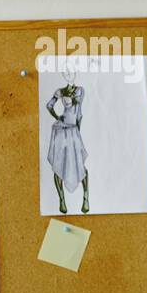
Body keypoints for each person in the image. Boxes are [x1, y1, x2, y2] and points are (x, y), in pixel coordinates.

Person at [46, 67, 90, 214]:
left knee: (80, 164)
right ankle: (62, 200)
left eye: (71, 72)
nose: (69, 75)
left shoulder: (80, 90)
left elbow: (79, 112)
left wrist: (78, 129)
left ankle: (85, 197)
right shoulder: (60, 91)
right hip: (61, 129)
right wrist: (57, 117)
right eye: (66, 73)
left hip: (73, 129)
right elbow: (49, 105)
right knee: (59, 165)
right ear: (63, 75)